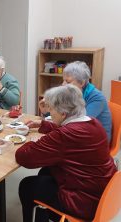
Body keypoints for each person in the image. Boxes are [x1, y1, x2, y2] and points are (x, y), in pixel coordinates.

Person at [15, 84, 117, 222]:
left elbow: (23, 157)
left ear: (63, 113)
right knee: (46, 171)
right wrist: (43, 124)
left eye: (52, 110)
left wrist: (30, 142)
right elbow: (70, 129)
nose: (50, 114)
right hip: (102, 191)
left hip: (85, 202)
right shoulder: (94, 123)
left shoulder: (65, 135)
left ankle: (47, 216)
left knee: (27, 185)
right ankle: (49, 214)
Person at [39, 61, 112, 141]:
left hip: (96, 141)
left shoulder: (97, 98)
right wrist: (47, 111)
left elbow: (78, 124)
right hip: (79, 133)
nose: (63, 84)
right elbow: (62, 117)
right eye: (63, 80)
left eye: (68, 81)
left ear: (81, 83)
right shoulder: (72, 95)